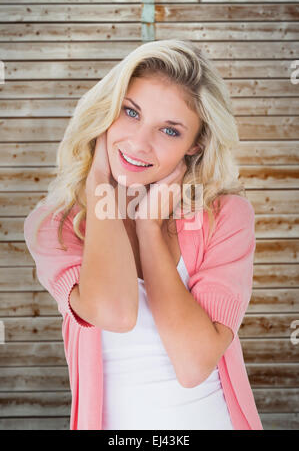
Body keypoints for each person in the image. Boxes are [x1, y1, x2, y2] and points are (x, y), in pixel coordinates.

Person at [23, 39, 263, 430]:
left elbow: (193, 364)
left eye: (169, 130)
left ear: (194, 145)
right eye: (130, 112)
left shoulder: (225, 217)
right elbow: (114, 312)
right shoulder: (59, 225)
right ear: (107, 110)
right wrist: (100, 184)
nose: (138, 142)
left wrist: (150, 227)